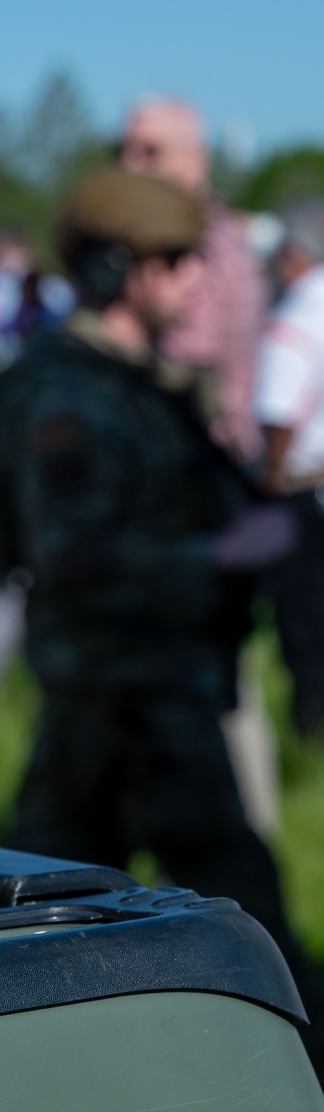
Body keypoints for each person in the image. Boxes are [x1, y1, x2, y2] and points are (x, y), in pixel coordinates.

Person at [0, 167, 322, 1051]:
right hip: (122, 688)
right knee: (232, 912)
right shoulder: (68, 393)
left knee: (57, 897)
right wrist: (221, 554)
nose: (198, 278)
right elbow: (72, 558)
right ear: (120, 270)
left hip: (153, 679)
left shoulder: (138, 379)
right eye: (175, 261)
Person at [120, 97, 265, 458]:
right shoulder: (209, 234)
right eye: (125, 149)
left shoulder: (194, 246)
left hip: (199, 464)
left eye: (150, 151)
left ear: (195, 160)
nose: (130, 163)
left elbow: (182, 367)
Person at [255, 200, 324, 735]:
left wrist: (270, 477)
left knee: (305, 621)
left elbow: (280, 412)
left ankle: (311, 733)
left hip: (307, 486)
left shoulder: (299, 313)